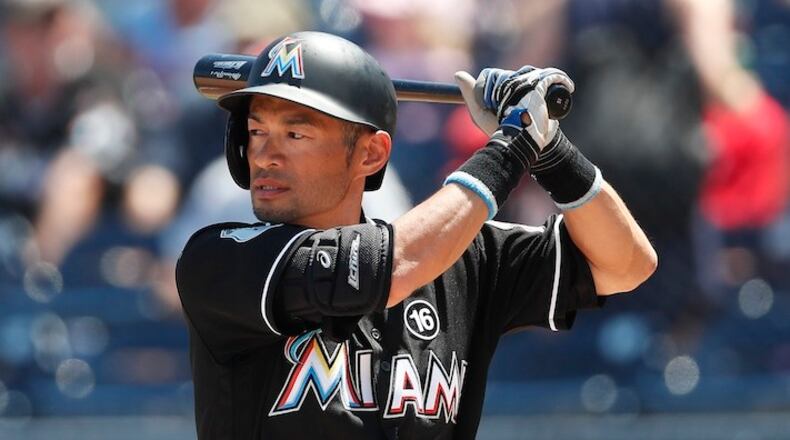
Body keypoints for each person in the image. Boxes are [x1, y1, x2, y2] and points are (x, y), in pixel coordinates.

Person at [176, 31, 656, 439]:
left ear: (370, 155)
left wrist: (552, 151)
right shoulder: (221, 259)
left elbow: (626, 264)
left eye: (295, 135)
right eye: (257, 132)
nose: (265, 156)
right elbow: (391, 267)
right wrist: (513, 146)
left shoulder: (462, 259)